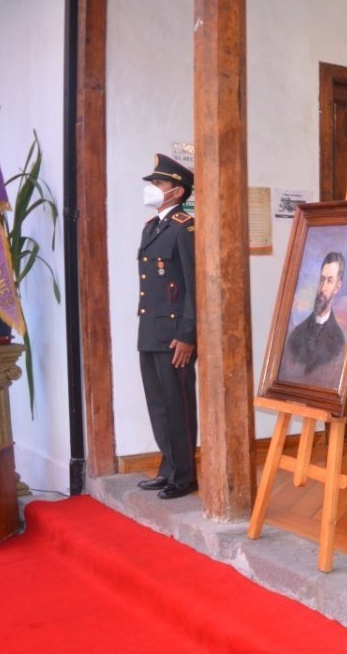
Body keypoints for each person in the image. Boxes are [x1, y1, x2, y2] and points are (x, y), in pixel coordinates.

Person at [136, 154, 199, 500]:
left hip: (175, 335)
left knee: (177, 404)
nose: (152, 189)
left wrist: (187, 335)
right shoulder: (152, 227)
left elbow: (194, 286)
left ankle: (184, 475)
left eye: (157, 184)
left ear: (176, 191)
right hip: (151, 330)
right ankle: (169, 467)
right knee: (158, 404)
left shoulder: (184, 227)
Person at [282, 251, 347, 380]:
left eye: (329, 281)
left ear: (337, 287)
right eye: (322, 279)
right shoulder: (296, 333)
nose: (323, 288)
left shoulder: (339, 341)